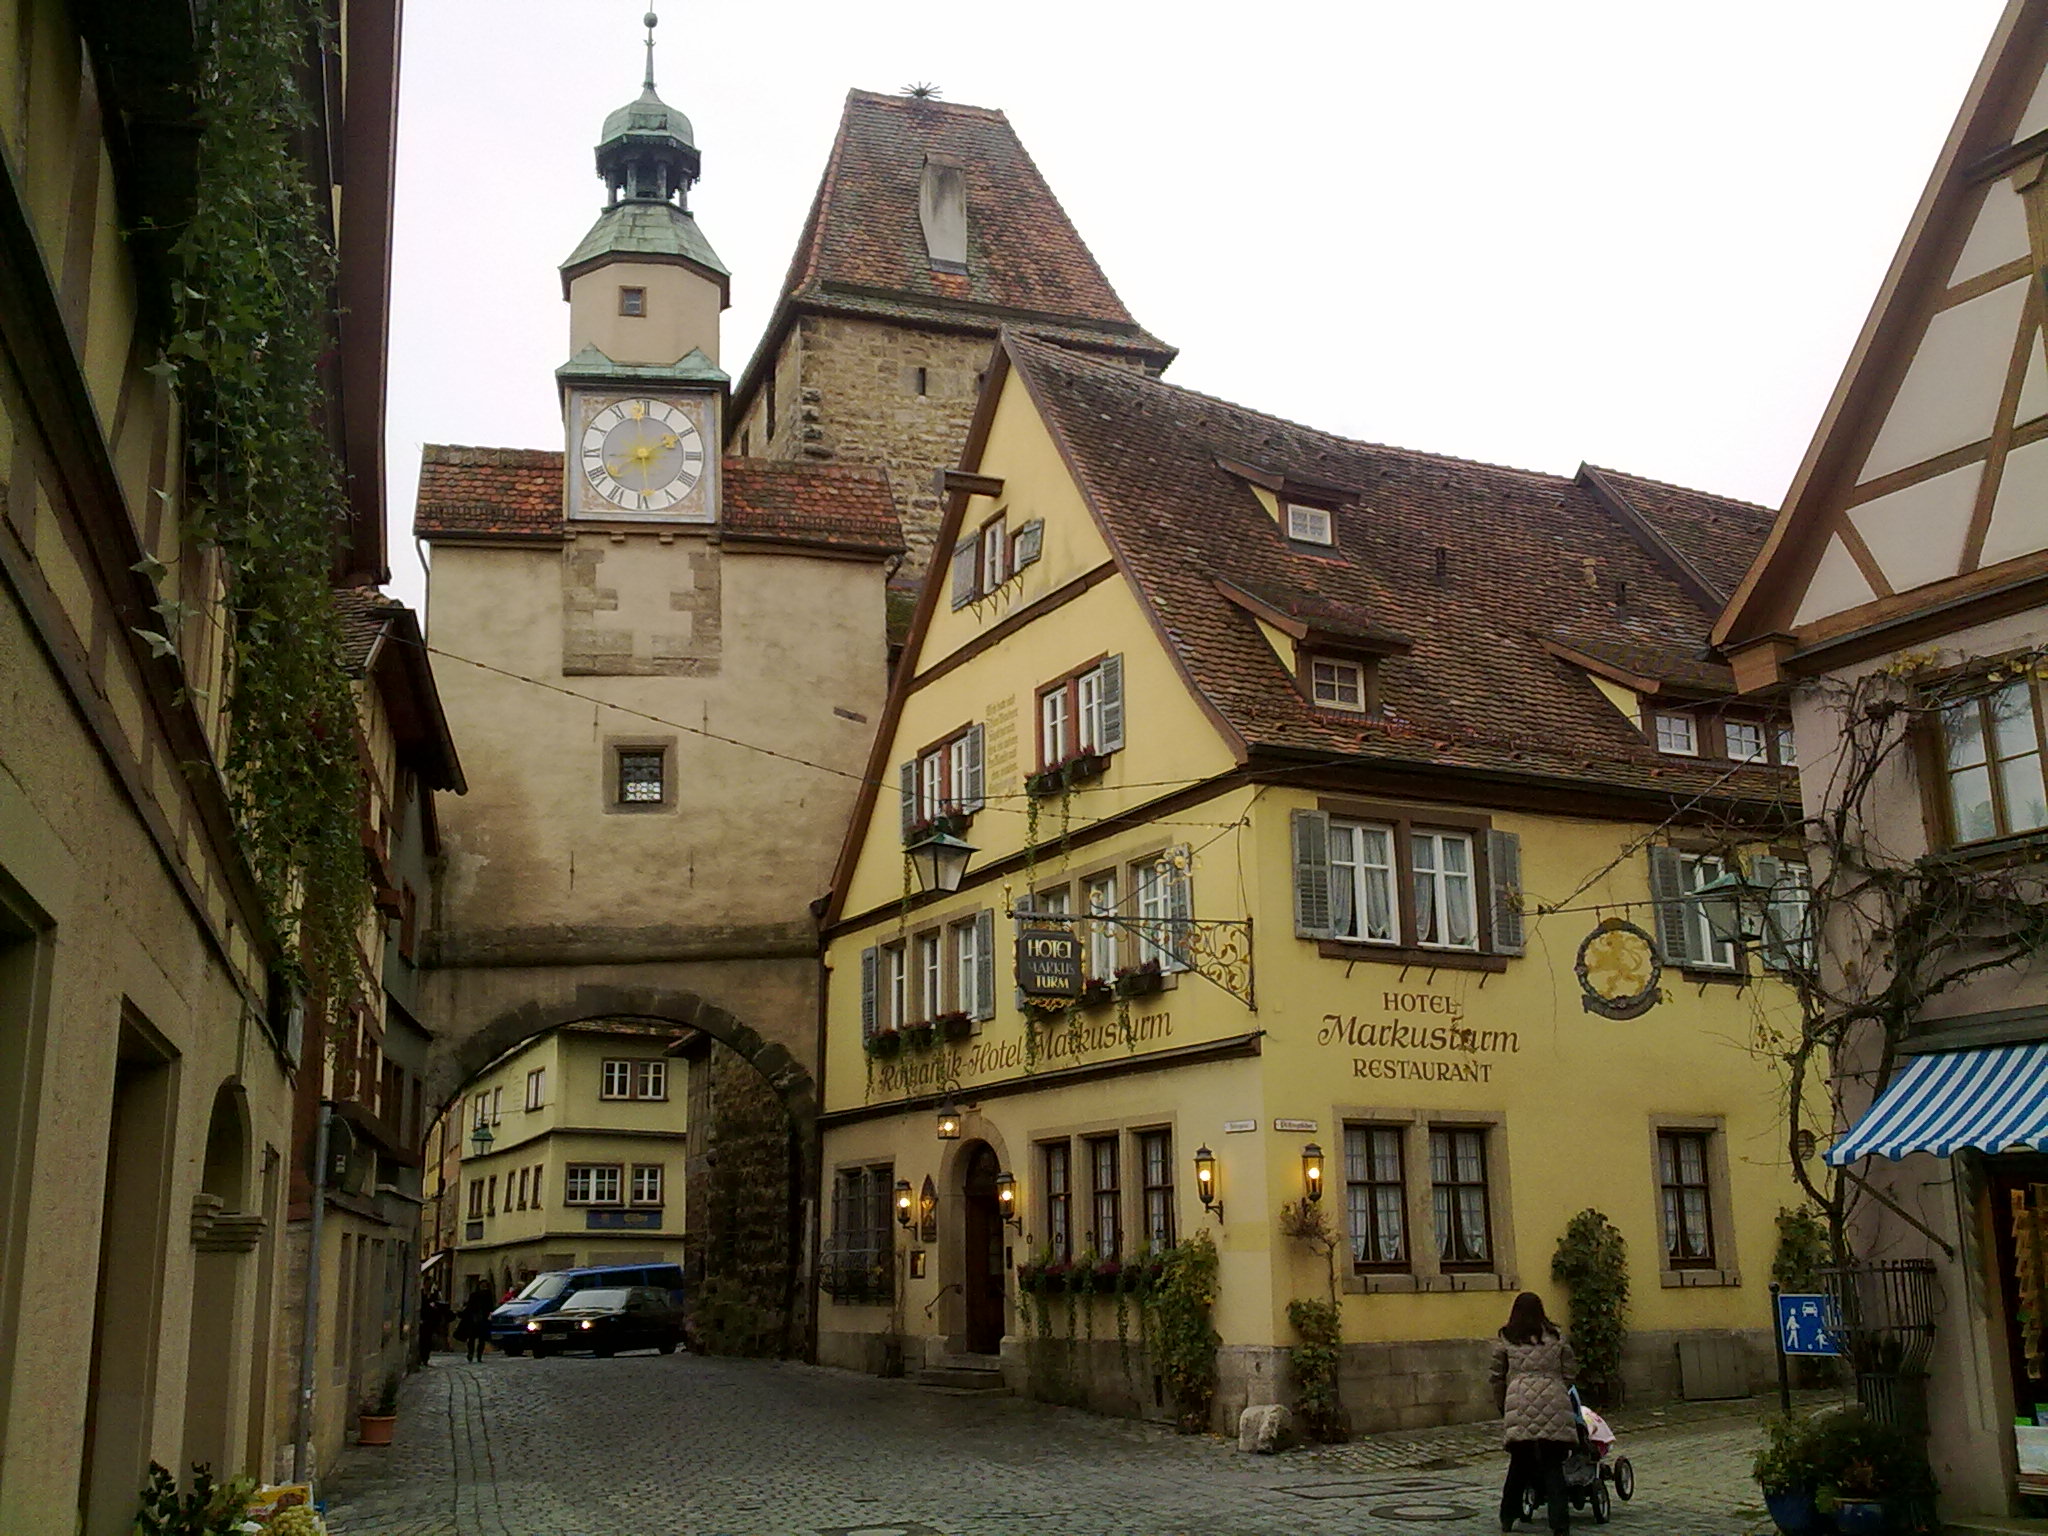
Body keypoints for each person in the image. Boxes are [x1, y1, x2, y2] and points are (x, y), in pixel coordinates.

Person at [1489, 1291, 1577, 1534]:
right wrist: (1559, 1389)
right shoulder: (1557, 1337)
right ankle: (1560, 1524)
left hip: (1519, 1400)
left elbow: (1496, 1375)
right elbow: (1570, 1372)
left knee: (1519, 1463)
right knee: (1553, 1465)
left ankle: (1508, 1516)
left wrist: (1503, 1404)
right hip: (1554, 1399)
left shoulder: (1507, 1338)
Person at [459, 1280, 494, 1364]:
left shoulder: (488, 1295)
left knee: (481, 1340)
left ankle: (479, 1356)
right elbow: (470, 1307)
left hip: (483, 1320)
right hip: (474, 1320)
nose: (483, 1287)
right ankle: (471, 1354)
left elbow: (491, 1307)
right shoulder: (474, 1295)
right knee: (472, 1339)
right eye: (482, 1285)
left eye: (485, 1285)